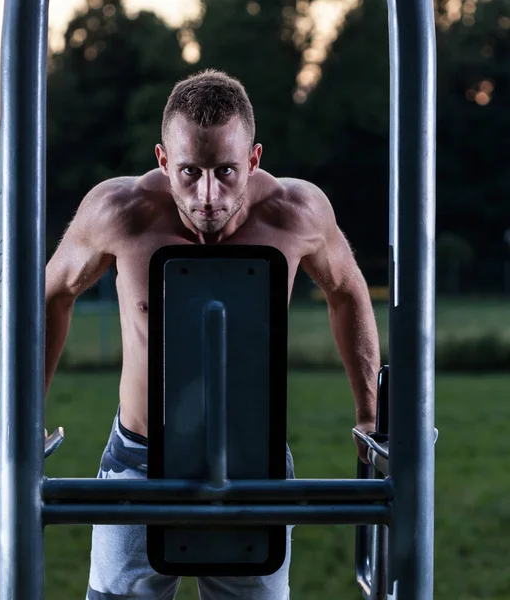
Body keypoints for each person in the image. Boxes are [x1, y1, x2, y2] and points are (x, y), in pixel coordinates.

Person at [44, 69, 381, 600]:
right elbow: (52, 294)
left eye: (225, 171)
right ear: (162, 160)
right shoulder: (120, 211)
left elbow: (348, 291)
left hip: (253, 462)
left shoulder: (295, 212)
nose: (206, 194)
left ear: (253, 159)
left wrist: (370, 414)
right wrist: (26, 411)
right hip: (139, 459)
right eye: (188, 172)